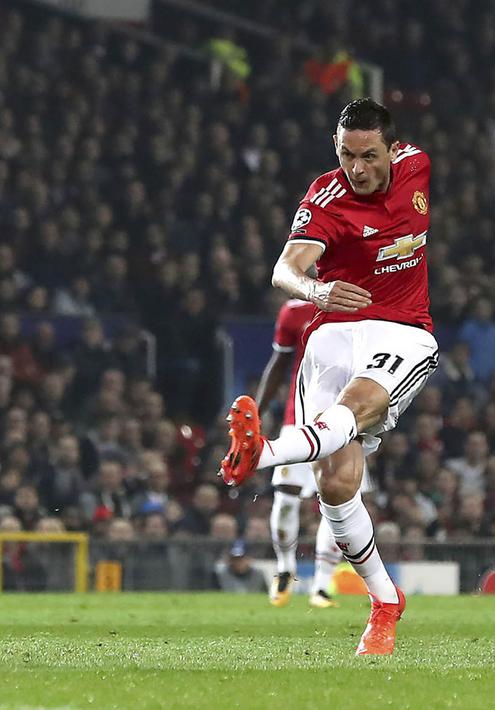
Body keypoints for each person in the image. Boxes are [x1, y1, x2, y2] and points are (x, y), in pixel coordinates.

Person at [221, 98, 437, 655]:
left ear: (393, 149)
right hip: (334, 330)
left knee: (358, 405)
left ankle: (262, 453)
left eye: (368, 155)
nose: (356, 168)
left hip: (402, 331)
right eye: (346, 154)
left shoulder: (418, 166)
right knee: (336, 484)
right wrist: (317, 290)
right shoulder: (325, 197)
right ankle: (385, 602)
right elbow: (284, 270)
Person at [254, 298, 348, 609]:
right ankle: (284, 570)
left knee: (337, 502)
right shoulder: (295, 311)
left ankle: (321, 587)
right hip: (299, 418)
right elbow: (278, 364)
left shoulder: (358, 304)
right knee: (284, 497)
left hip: (344, 419)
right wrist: (257, 412)